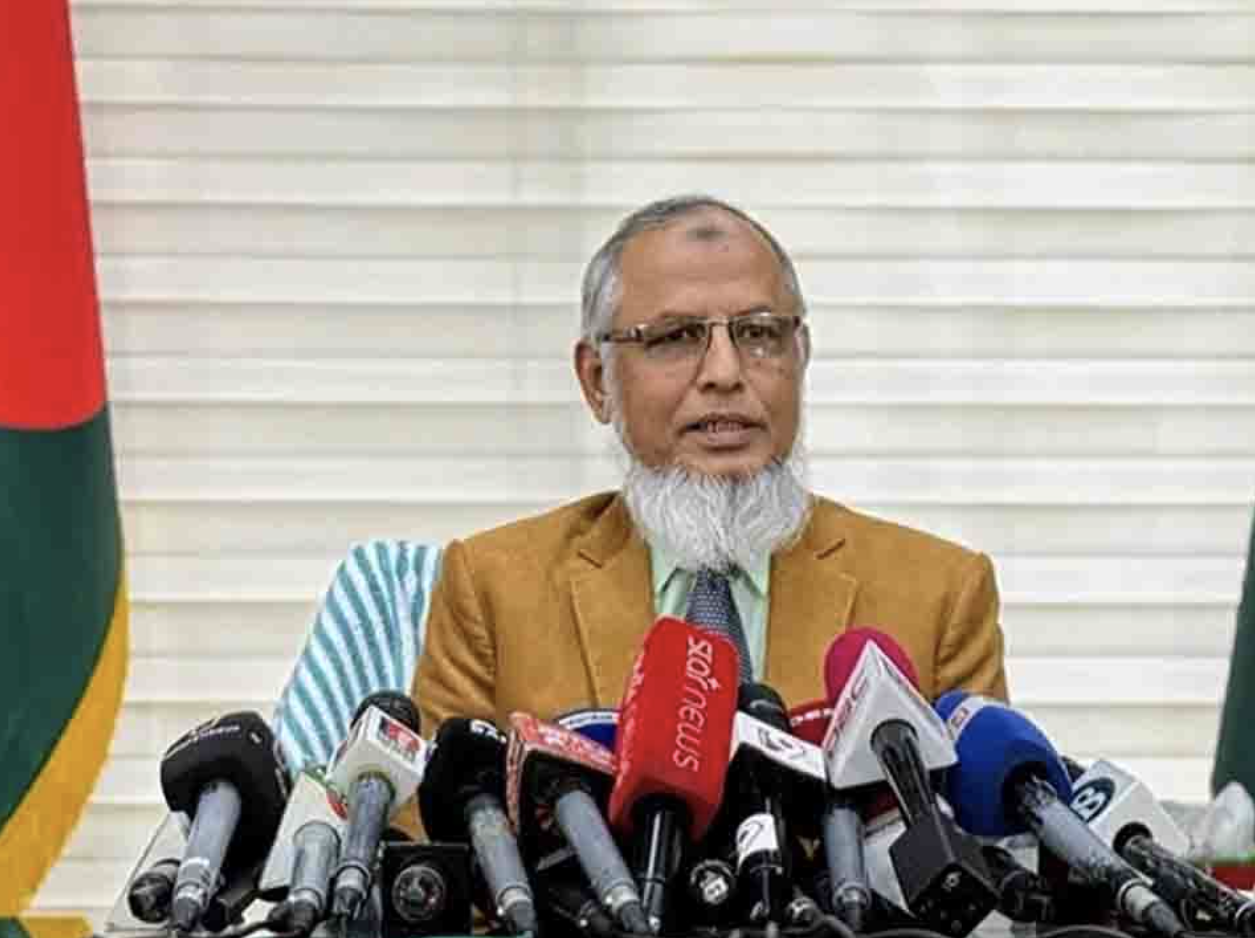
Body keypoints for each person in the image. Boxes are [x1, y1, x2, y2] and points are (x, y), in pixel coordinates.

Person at [409, 194, 1007, 733]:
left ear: (801, 357)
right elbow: (427, 820)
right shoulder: (493, 589)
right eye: (675, 337)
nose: (725, 372)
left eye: (759, 333)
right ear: (597, 381)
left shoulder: (940, 595)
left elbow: (992, 819)